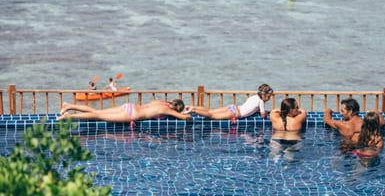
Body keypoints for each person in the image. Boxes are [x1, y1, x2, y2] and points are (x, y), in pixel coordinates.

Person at [57, 99, 192, 129]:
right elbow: (185, 118)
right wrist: (190, 111)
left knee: (97, 112)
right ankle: (69, 116)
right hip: (131, 114)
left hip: (130, 106)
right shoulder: (167, 110)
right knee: (98, 116)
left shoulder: (161, 102)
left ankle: (69, 106)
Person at [184, 84, 274, 122]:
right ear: (265, 95)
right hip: (236, 113)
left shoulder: (254, 97)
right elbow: (263, 116)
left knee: (211, 111)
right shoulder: (261, 101)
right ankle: (194, 110)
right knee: (212, 116)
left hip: (234, 107)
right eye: (269, 97)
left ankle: (192, 107)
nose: (269, 99)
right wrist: (265, 112)